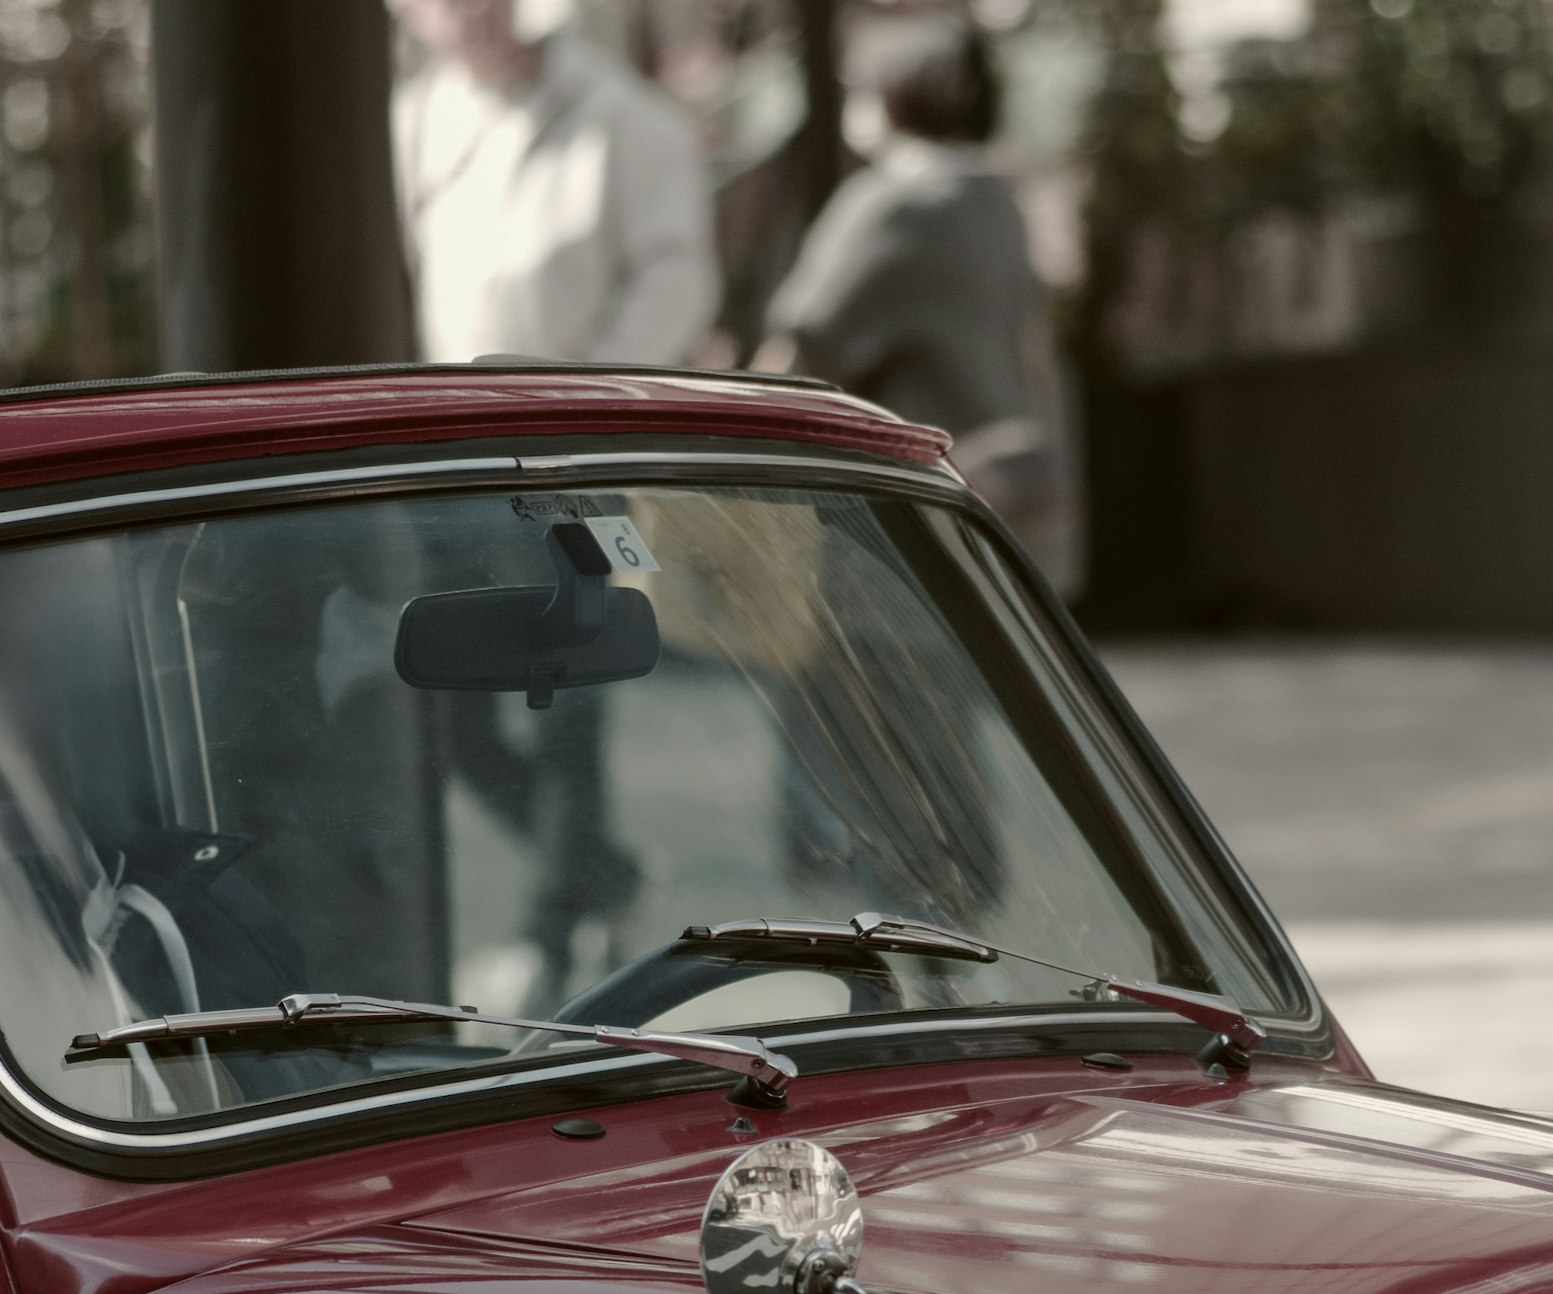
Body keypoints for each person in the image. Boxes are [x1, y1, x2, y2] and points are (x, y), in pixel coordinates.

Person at [392, 0, 720, 1003]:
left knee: (572, 709)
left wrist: (584, 402)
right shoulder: (417, 117)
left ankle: (551, 929)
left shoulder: (629, 121)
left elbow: (677, 284)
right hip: (455, 461)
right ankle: (591, 873)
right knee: (450, 713)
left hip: (577, 466)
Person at [760, 19, 1076, 588]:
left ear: (894, 92)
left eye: (858, 87)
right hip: (999, 499)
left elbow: (802, 341)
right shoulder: (997, 196)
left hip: (905, 514)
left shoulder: (892, 203)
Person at [391, 0, 721, 367]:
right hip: (455, 411)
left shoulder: (622, 116)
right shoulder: (412, 126)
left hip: (585, 412)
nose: (475, 8)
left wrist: (594, 395)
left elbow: (674, 282)